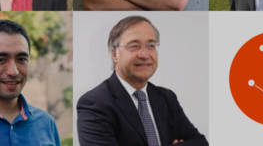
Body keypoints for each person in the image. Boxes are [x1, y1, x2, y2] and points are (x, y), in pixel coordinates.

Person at [77, 16, 208, 145]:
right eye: (134, 46)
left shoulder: (167, 97)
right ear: (114, 54)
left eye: (151, 45)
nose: (144, 55)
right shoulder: (94, 104)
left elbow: (200, 142)